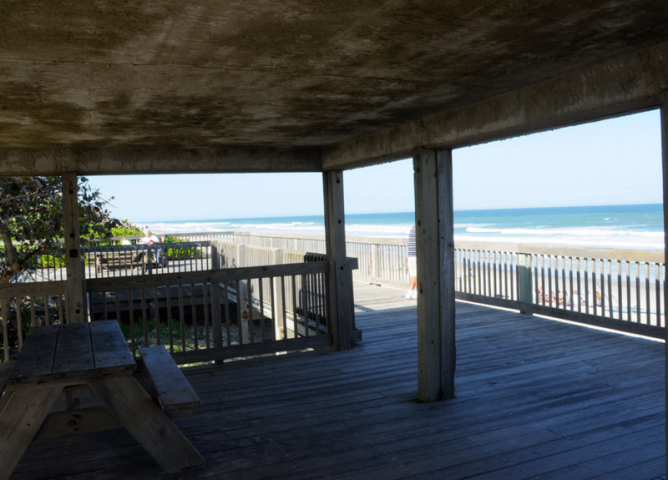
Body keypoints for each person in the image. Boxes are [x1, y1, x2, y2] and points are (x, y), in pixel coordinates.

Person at [405, 223, 417, 299]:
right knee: (418, 274)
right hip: (416, 254)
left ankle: (411, 292)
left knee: (414, 274)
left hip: (410, 254)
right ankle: (415, 292)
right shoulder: (420, 226)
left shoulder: (414, 226)